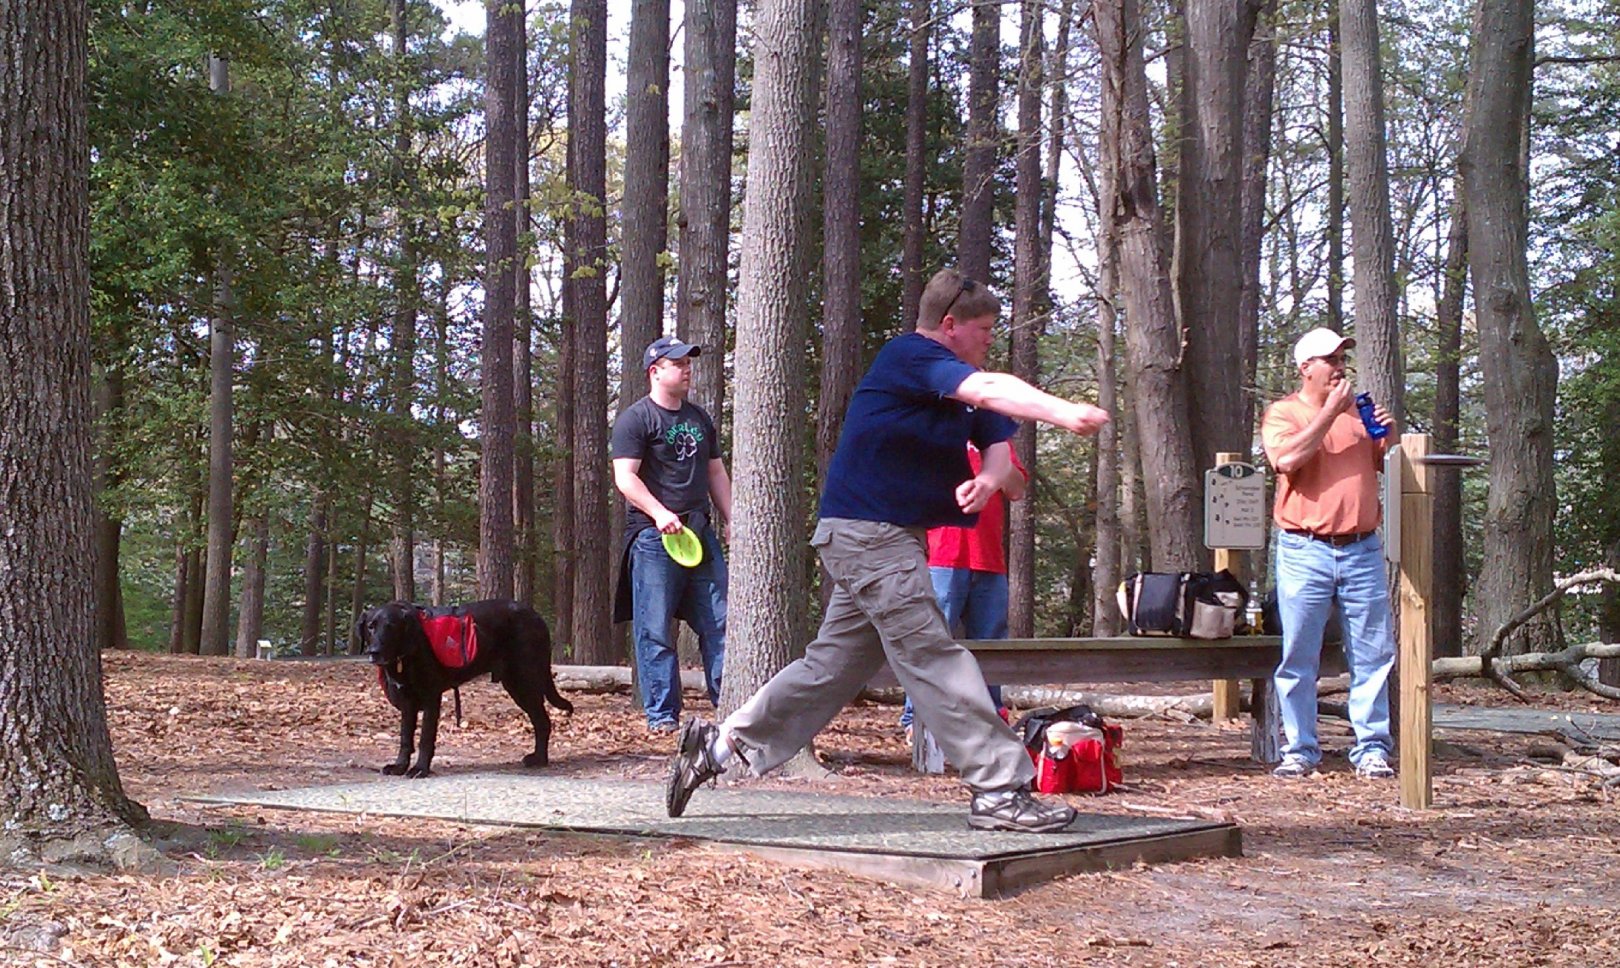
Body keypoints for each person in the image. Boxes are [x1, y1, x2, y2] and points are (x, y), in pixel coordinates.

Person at [666, 269, 1110, 832]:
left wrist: (990, 482)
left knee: (832, 667)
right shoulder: (910, 357)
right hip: (866, 534)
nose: (989, 339)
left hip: (884, 539)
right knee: (932, 655)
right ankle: (1000, 790)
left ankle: (719, 747)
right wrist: (1065, 411)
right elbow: (993, 388)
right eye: (983, 329)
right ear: (949, 326)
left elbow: (999, 449)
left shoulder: (966, 382)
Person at [1260, 327, 1398, 780]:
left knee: (1373, 653)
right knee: (1300, 653)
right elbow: (1286, 460)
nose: (1339, 367)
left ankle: (1372, 747)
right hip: (1305, 549)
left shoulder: (1356, 413)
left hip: (1361, 548)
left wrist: (1387, 436)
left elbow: (1385, 465)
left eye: (1342, 358)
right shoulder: (1284, 413)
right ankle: (1300, 748)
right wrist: (1329, 414)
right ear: (1306, 368)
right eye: (1330, 359)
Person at [612, 335, 733, 732]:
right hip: (653, 538)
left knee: (721, 621)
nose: (686, 369)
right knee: (655, 629)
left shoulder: (699, 419)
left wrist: (733, 518)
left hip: (699, 532)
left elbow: (715, 472)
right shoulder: (636, 419)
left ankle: (728, 707)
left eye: (688, 363)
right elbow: (625, 478)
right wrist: (660, 513)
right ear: (655, 371)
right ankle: (663, 717)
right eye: (678, 363)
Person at [898, 442, 1025, 741]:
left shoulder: (998, 442)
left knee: (991, 641)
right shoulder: (935, 432)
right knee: (931, 639)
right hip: (941, 556)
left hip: (990, 560)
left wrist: (995, 459)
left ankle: (992, 719)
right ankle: (915, 719)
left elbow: (1016, 489)